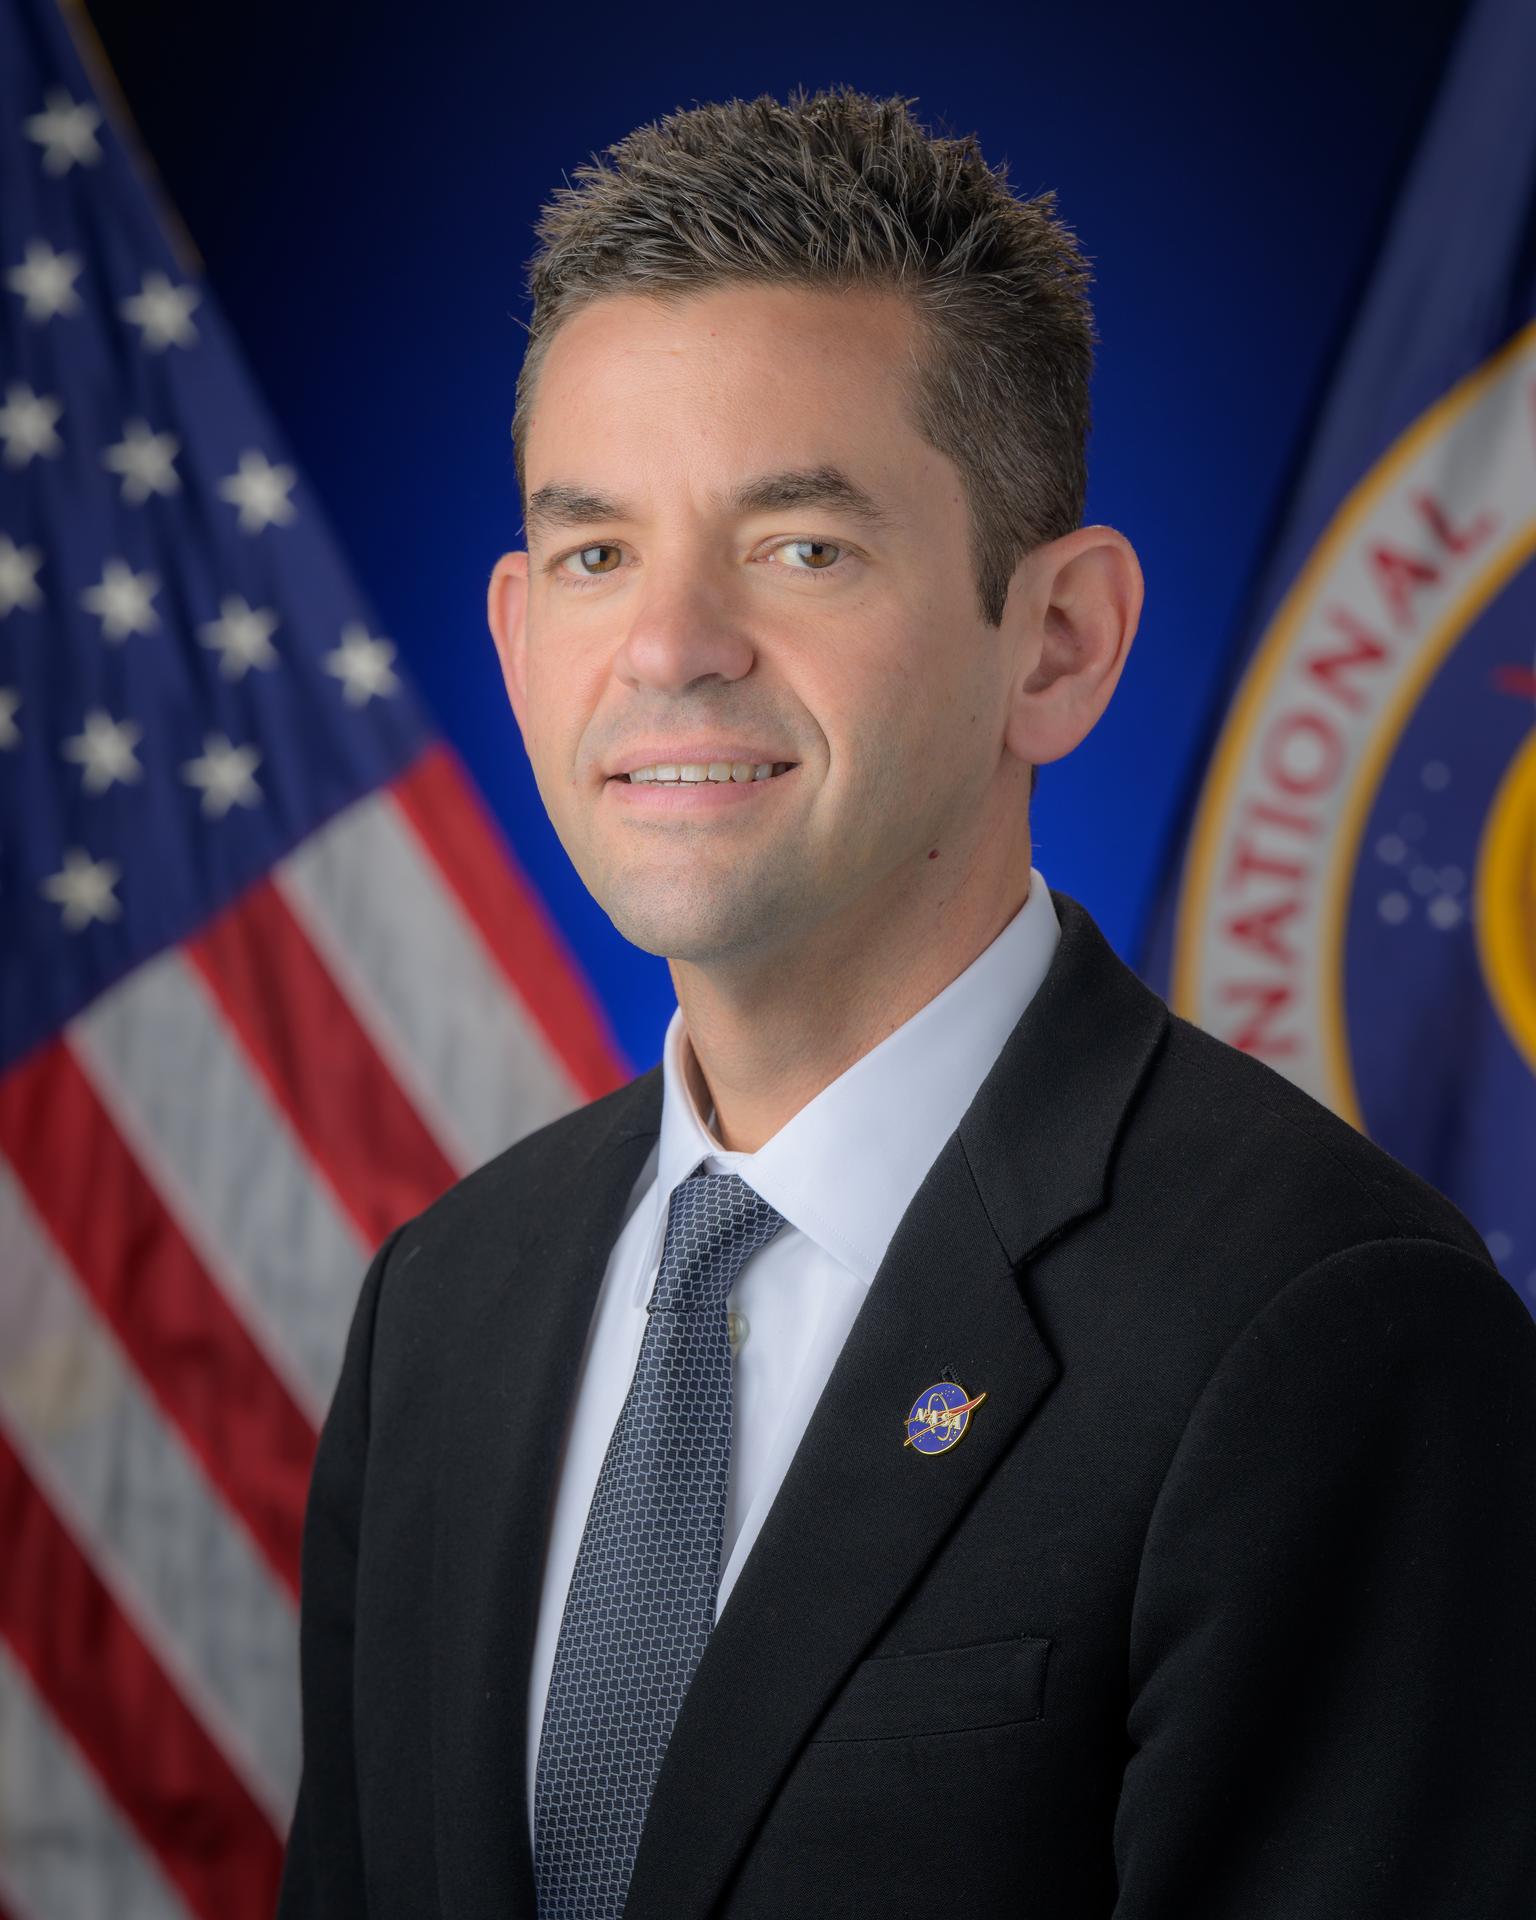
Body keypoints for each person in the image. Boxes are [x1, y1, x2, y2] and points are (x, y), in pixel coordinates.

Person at [276, 86, 1536, 1920]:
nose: (670, 643)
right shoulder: (445, 1308)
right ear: (513, 633)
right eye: (595, 550)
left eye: (802, 545)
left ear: (1060, 643)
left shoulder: (1330, 1334)